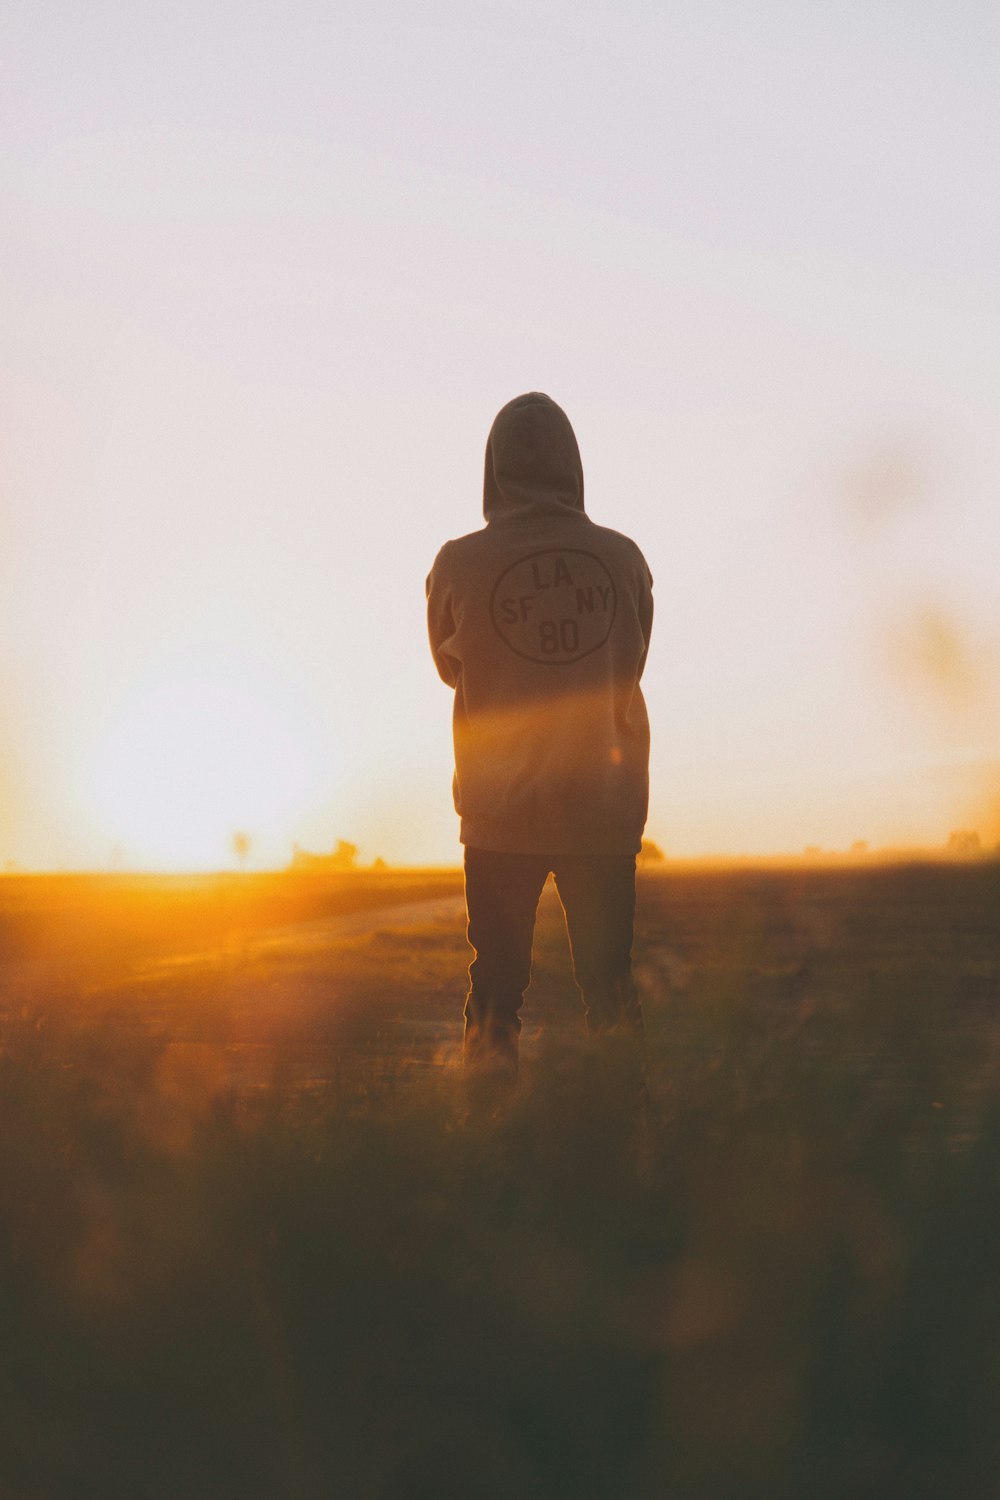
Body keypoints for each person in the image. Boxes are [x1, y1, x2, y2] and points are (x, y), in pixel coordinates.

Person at [426, 392, 653, 1097]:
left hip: (500, 811)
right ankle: (620, 1149)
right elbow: (632, 658)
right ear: (573, 467)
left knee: (494, 997)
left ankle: (489, 1151)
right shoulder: (623, 558)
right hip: (604, 811)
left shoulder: (458, 564)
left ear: (492, 470)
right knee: (610, 993)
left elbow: (448, 667)